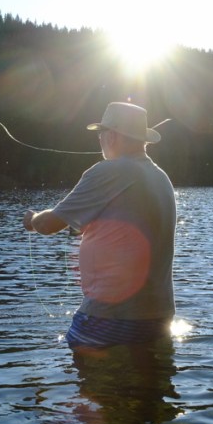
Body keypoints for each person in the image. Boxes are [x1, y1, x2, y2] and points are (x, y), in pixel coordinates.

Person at [23, 102, 176, 349]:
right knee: (147, 387)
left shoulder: (110, 171)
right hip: (158, 318)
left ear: (112, 136)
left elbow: (49, 224)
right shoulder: (161, 177)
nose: (100, 139)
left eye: (101, 133)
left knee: (88, 384)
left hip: (110, 316)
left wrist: (31, 219)